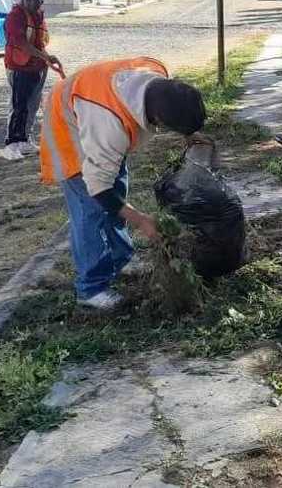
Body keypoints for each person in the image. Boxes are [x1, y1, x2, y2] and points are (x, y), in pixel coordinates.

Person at [40, 57, 207, 310]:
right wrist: (141, 220)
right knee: (91, 210)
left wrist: (189, 132)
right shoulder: (108, 126)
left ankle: (122, 259)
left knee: (118, 190)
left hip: (94, 105)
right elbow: (99, 188)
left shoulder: (157, 76)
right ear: (157, 119)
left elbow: (111, 186)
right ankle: (91, 289)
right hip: (68, 121)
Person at [1, 0, 63, 161]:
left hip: (37, 67)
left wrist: (46, 59)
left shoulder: (38, 17)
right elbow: (22, 44)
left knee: (32, 106)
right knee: (18, 106)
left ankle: (24, 140)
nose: (35, 2)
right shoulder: (15, 17)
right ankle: (11, 144)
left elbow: (41, 41)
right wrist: (46, 56)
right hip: (19, 67)